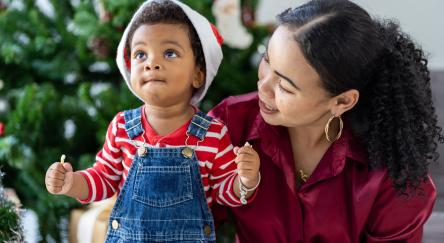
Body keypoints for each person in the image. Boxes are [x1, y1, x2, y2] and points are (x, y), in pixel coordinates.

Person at [209, 0, 443, 242]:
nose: (263, 87)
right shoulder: (229, 123)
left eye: (286, 87)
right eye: (267, 60)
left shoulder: (394, 175)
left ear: (342, 101)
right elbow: (185, 214)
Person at [44, 0, 260, 242]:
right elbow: (103, 179)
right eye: (140, 54)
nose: (151, 63)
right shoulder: (122, 127)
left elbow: (225, 193)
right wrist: (71, 183)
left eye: (170, 53)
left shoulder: (212, 134)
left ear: (198, 74)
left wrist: (245, 181)